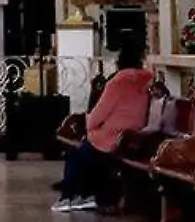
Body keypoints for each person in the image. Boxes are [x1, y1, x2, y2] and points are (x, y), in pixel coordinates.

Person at [52, 43, 154, 212]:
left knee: (77, 155)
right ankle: (88, 195)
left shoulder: (117, 83)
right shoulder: (145, 81)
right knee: (86, 152)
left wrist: (89, 123)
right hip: (133, 137)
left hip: (113, 139)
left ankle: (69, 197)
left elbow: (97, 116)